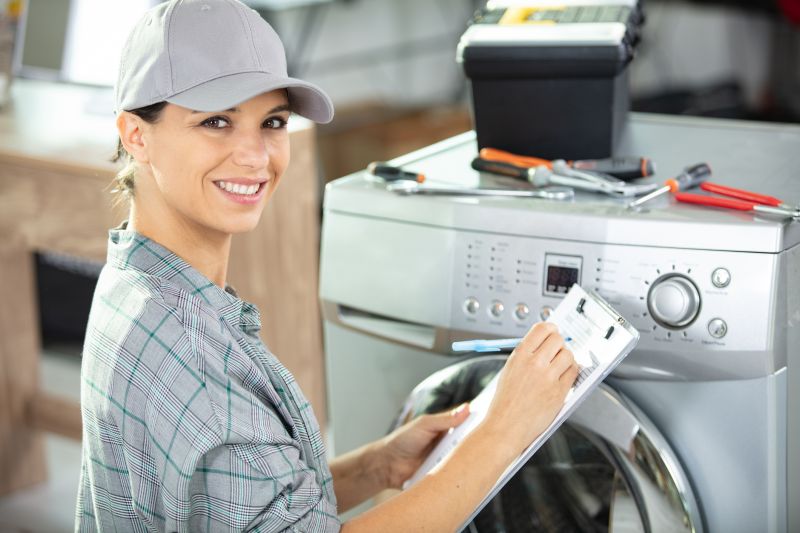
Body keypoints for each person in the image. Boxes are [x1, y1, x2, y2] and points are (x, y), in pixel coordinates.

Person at [75, 0, 578, 531]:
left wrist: (375, 466)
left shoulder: (132, 283)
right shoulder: (199, 360)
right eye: (217, 121)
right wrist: (503, 432)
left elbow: (227, 503)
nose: (255, 155)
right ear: (136, 135)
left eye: (272, 122)